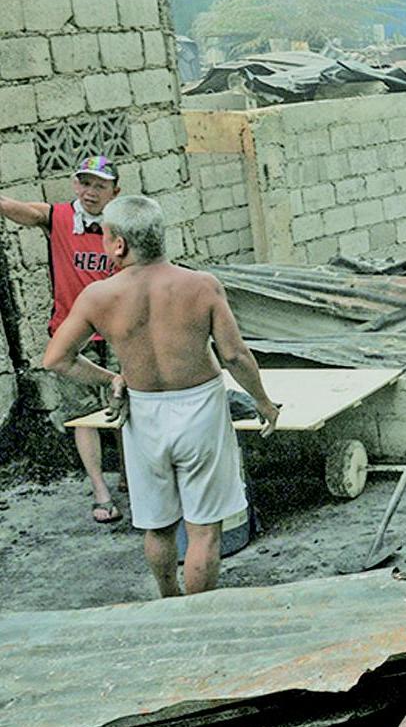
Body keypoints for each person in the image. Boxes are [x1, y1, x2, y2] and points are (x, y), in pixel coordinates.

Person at [43, 195, 279, 597]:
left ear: (119, 244)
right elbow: (235, 355)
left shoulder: (99, 297)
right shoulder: (201, 285)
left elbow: (57, 359)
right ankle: (197, 614)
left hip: (144, 413)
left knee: (158, 525)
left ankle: (168, 602)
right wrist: (262, 401)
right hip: (201, 409)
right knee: (204, 528)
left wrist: (110, 379)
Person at [0, 156, 124, 522]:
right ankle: (100, 491)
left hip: (118, 333)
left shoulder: (122, 226)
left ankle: (131, 478)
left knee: (125, 406)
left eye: (99, 185)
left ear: (115, 191)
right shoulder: (59, 217)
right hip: (74, 337)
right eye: (85, 183)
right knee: (82, 415)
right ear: (75, 185)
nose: (90, 192)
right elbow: (18, 210)